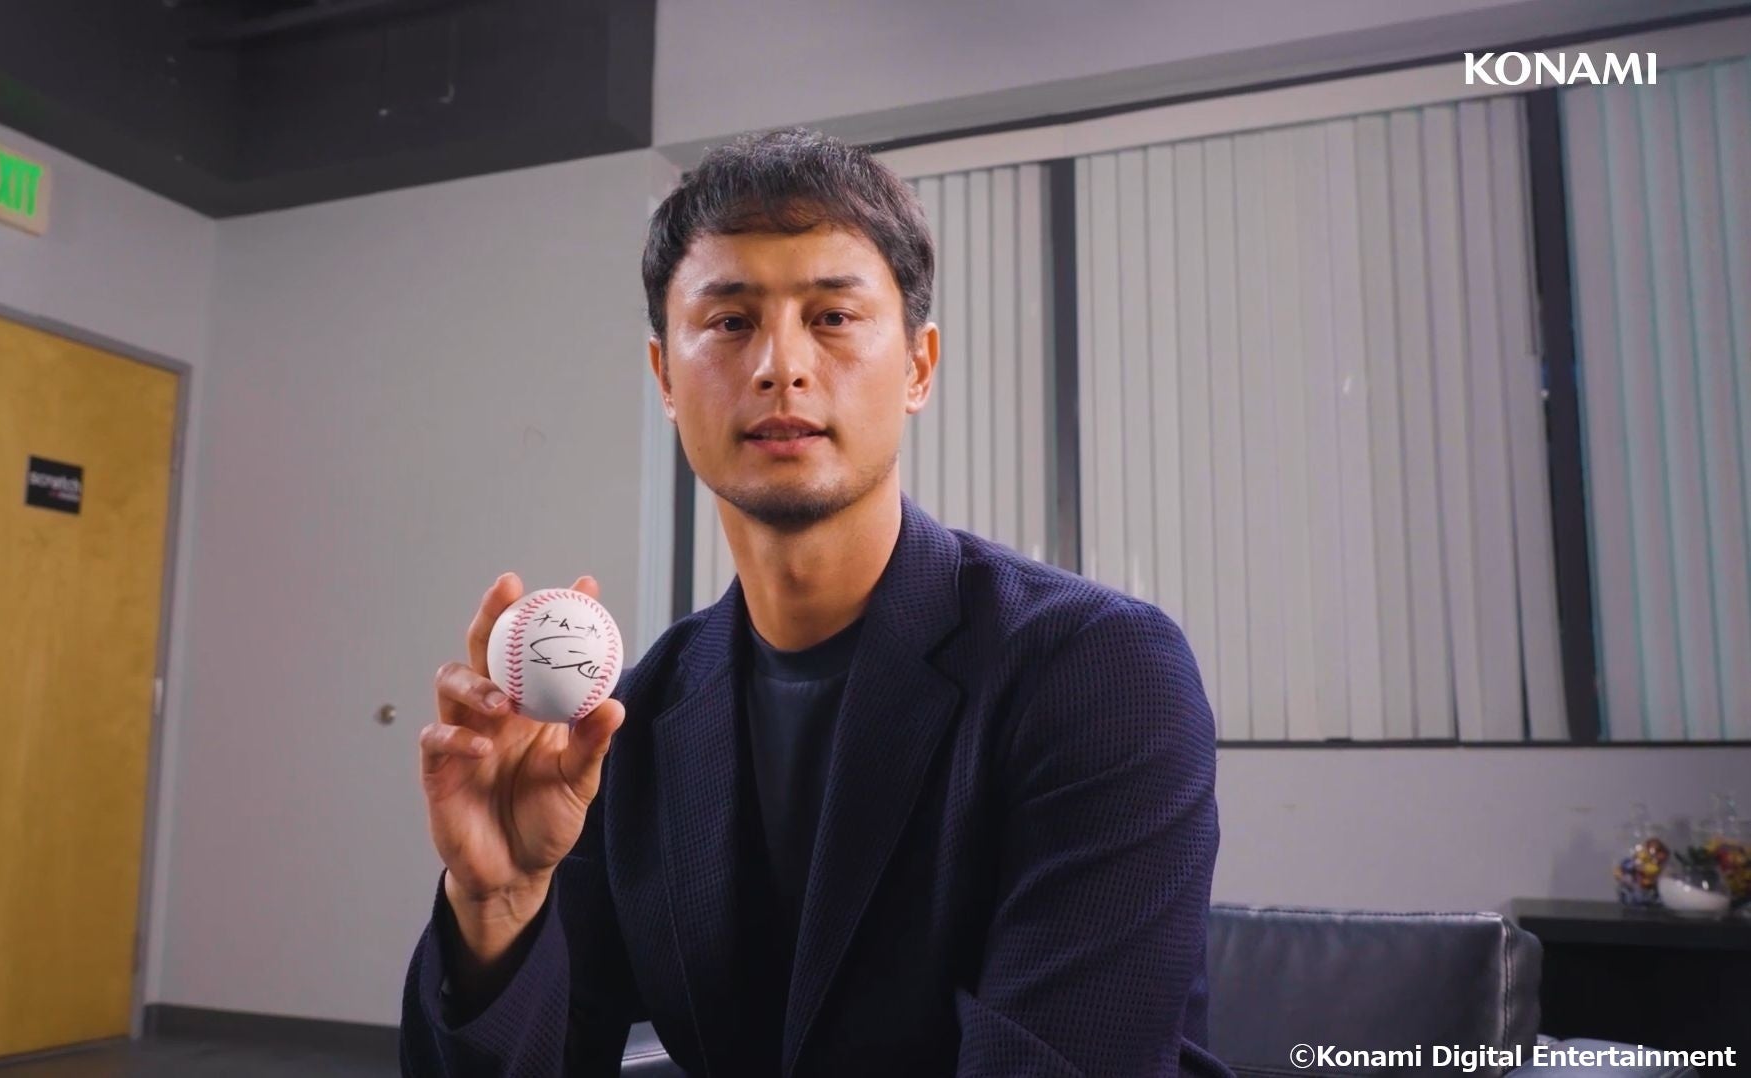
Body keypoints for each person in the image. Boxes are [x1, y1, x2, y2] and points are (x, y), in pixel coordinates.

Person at [401, 127, 1231, 1078]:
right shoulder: (633, 722)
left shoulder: (1099, 670)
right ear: (666, 378)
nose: (780, 366)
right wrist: (499, 905)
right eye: (729, 322)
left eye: (833, 316)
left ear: (917, 367)